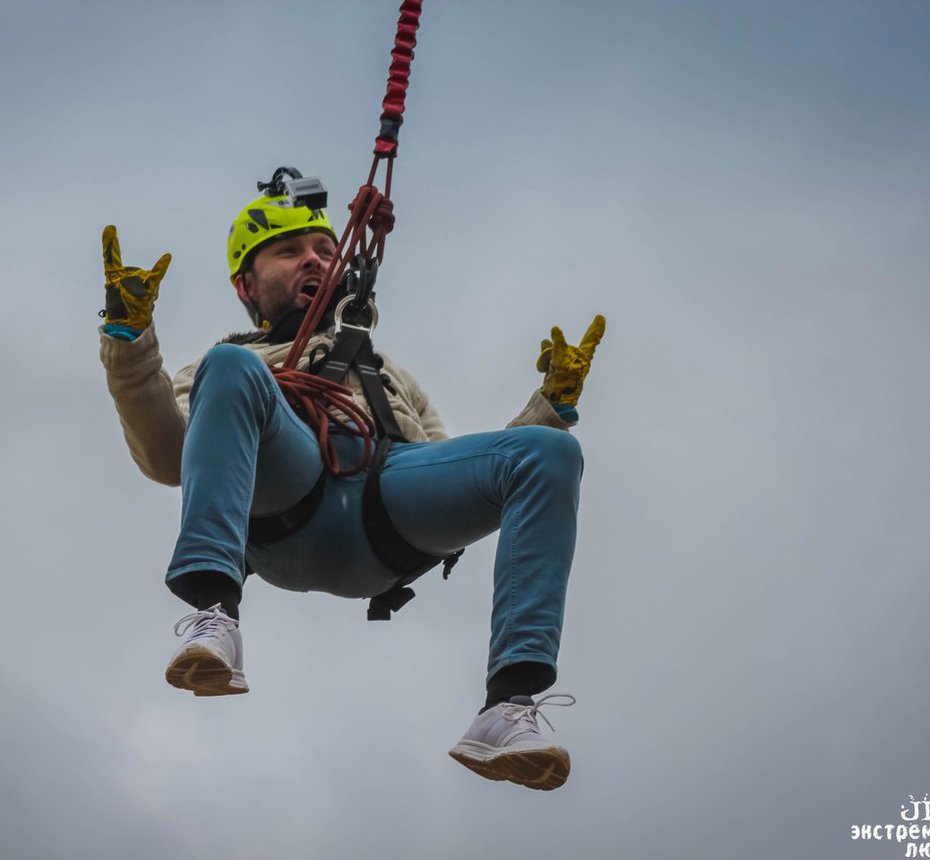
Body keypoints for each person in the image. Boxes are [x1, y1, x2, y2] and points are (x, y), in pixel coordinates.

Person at [97, 175, 605, 790]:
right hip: (288, 499)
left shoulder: (389, 374)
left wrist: (547, 409)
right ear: (246, 285)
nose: (315, 258)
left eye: (324, 249)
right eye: (290, 251)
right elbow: (165, 457)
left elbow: (454, 471)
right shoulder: (230, 368)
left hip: (388, 513)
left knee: (549, 452)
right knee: (226, 365)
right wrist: (130, 342)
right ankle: (214, 612)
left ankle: (510, 704)